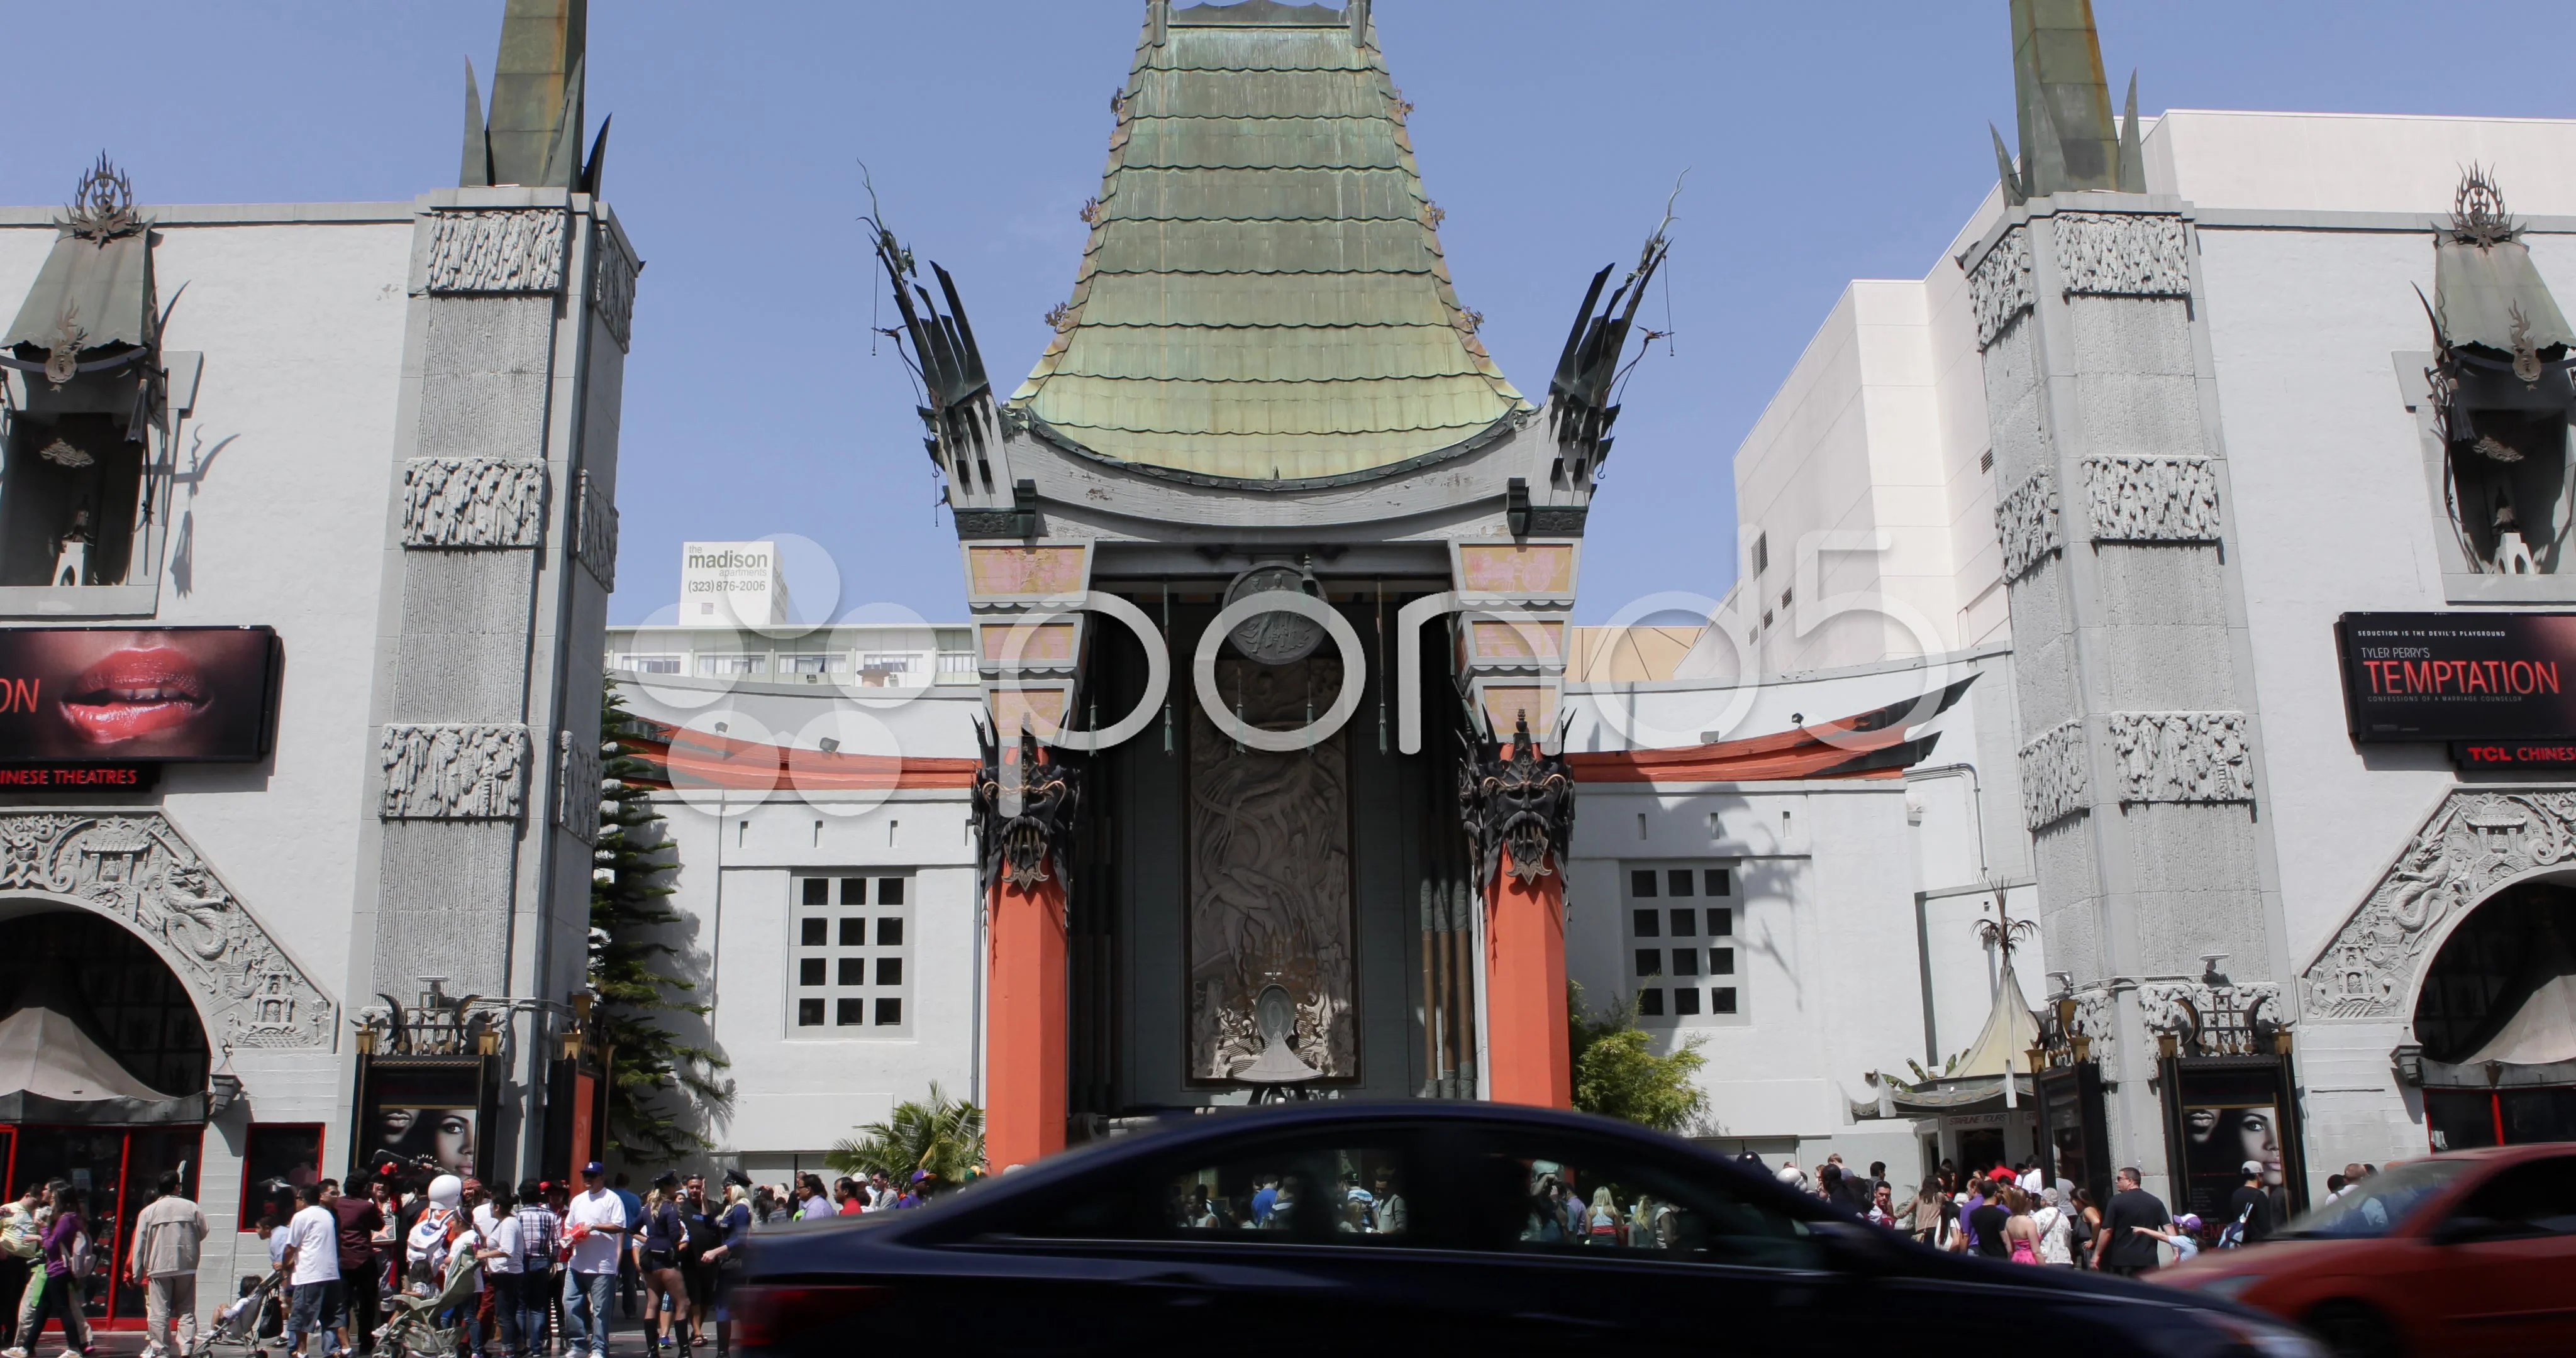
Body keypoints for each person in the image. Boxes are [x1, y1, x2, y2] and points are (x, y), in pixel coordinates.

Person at [127, 1170, 208, 1358]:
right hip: (186, 1264)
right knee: (186, 1308)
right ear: (176, 1187)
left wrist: (137, 1272)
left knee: (159, 1311)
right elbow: (204, 1231)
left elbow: (139, 1245)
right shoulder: (191, 1207)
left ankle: (161, 1350)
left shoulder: (148, 1212)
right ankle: (186, 1347)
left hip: (158, 1265)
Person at [562, 1162, 628, 1358]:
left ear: (602, 1177)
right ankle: (577, 1345)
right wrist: (571, 1236)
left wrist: (594, 1227)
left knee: (600, 1310)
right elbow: (569, 1225)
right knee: (569, 1302)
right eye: (586, 1175)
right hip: (577, 1262)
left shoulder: (612, 1199)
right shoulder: (578, 1200)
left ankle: (599, 1348)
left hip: (602, 1265)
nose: (588, 1179)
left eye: (593, 1175)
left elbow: (619, 1226)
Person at [280, 1180, 345, 1358]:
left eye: (297, 1198)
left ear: (302, 1199)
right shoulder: (328, 1215)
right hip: (331, 1274)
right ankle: (339, 1350)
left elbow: (290, 1247)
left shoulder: (301, 1217)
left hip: (310, 1274)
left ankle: (300, 1351)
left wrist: (284, 1263)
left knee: (302, 1315)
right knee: (332, 1315)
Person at [638, 1174, 691, 1354]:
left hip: (650, 1260)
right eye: (674, 1185)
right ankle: (684, 1352)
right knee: (683, 1303)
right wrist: (680, 1232)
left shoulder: (647, 1209)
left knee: (653, 1304)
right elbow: (675, 1234)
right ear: (667, 1188)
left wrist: (648, 1241)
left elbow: (631, 1229)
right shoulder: (670, 1208)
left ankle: (652, 1351)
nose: (676, 1188)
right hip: (667, 1260)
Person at [698, 1186, 752, 1358]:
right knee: (726, 1305)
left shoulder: (741, 1209)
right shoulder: (731, 1208)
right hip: (728, 1262)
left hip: (737, 1263)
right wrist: (703, 1201)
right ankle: (724, 1352)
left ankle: (729, 1351)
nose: (723, 1192)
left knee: (729, 1305)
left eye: (727, 1188)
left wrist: (716, 1251)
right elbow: (713, 1225)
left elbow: (741, 1238)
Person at [334, 1175, 384, 1357]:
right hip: (363, 1259)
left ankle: (342, 1343)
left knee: (342, 1305)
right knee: (367, 1304)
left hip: (341, 1260)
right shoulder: (366, 1206)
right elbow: (379, 1225)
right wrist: (375, 1199)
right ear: (364, 1188)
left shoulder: (336, 1205)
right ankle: (365, 1343)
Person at [511, 1181, 562, 1358]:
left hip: (520, 1262)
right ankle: (537, 1348)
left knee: (520, 1307)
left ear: (522, 1196)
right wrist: (553, 1259)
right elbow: (557, 1242)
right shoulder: (551, 1216)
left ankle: (520, 1346)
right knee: (538, 1307)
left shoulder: (515, 1216)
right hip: (542, 1261)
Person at [474, 1186, 523, 1358]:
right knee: (504, 1312)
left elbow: (507, 1249)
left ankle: (508, 1350)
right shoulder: (504, 1223)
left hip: (507, 1274)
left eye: (491, 1206)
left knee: (504, 1315)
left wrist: (485, 1254)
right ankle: (517, 1343)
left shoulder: (509, 1223)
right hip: (501, 1273)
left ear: (496, 1207)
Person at [2097, 1166, 2170, 1277]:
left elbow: (2107, 1229)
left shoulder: (2116, 1201)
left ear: (2130, 1181)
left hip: (2123, 1261)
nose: (2116, 1181)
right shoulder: (2155, 1202)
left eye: (2120, 1178)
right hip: (2149, 1260)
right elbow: (2168, 1227)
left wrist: (2097, 1255)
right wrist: (2177, 1249)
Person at [610, 1175, 644, 1322]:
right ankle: (630, 1311)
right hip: (629, 1242)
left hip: (612, 1243)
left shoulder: (610, 1197)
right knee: (629, 1279)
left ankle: (608, 1310)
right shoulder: (635, 1199)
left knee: (610, 1278)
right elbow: (638, 1219)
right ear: (628, 1183)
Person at [2222, 1159, 2275, 1247]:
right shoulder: (2259, 1196)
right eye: (2262, 1175)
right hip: (2257, 1246)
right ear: (2258, 1175)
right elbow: (2265, 1227)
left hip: (2239, 1244)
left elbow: (2231, 1220)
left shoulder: (2236, 1195)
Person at [1968, 1182, 2012, 1259]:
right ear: (1995, 1193)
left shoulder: (1974, 1214)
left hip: (1983, 1257)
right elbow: (2006, 1240)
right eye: (2000, 1192)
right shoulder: (2000, 1214)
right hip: (1999, 1258)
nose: (2001, 1195)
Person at [2033, 1185, 2074, 1266]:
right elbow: (2068, 1240)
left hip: (2046, 1260)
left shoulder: (2038, 1216)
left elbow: (2034, 1239)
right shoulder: (2064, 1217)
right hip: (2065, 1260)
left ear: (2044, 1201)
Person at [2000, 1186, 2041, 1264]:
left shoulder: (2009, 1221)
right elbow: (2036, 1251)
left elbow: (2010, 1249)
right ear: (2027, 1200)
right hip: (2029, 1260)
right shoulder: (2029, 1222)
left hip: (2016, 1259)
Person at [2069, 1186, 2102, 1269]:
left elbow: (2096, 1222)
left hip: (2089, 1249)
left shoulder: (2088, 1210)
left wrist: (2092, 1240)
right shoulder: (2092, 1209)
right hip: (2087, 1249)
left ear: (2078, 1200)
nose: (2071, 1203)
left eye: (2072, 1200)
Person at [1369, 1171, 1406, 1236]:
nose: (1379, 1192)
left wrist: (1382, 1233)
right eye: (1377, 1189)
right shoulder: (1381, 1202)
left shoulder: (1397, 1202)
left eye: (1383, 1189)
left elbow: (1402, 1228)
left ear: (1390, 1188)